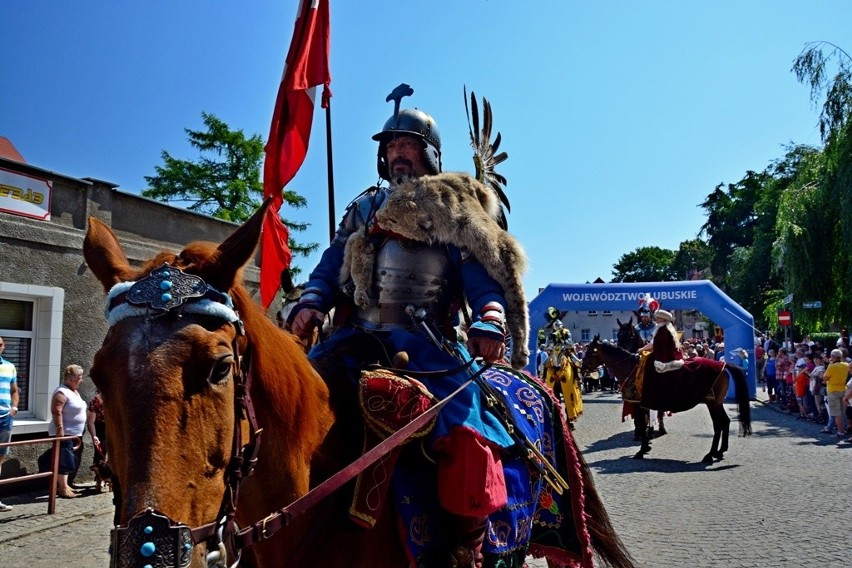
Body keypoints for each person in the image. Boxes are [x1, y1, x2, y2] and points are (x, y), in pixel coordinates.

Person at [287, 91, 526, 566]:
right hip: (355, 340)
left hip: (428, 348)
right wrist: (312, 302)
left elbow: (480, 274)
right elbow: (332, 265)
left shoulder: (454, 205)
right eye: (391, 144)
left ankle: (466, 545)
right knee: (290, 401)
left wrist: (490, 316)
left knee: (467, 435)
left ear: (430, 153)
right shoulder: (364, 209)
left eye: (408, 144)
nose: (397, 151)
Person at [49, 365, 87, 498]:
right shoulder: (61, 392)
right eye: (79, 377)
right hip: (65, 433)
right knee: (64, 460)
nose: (81, 380)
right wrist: (60, 429)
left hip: (75, 434)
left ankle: (65, 484)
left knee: (68, 458)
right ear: (71, 379)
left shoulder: (74, 392)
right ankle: (62, 488)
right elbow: (56, 410)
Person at [0, 336, 20, 512]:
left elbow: (14, 390)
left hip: (5, 417)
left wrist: (14, 407)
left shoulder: (9, 366)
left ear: (3, 346)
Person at [821, 349, 848, 437]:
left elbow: (825, 378)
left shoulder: (831, 366)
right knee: (842, 412)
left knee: (836, 413)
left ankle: (841, 431)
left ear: (834, 357)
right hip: (843, 389)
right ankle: (843, 429)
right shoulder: (846, 365)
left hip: (833, 390)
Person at [86, 390, 107, 491]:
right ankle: (100, 479)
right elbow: (90, 421)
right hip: (100, 429)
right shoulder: (95, 401)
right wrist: (94, 436)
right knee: (99, 454)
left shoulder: (115, 398)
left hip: (114, 428)